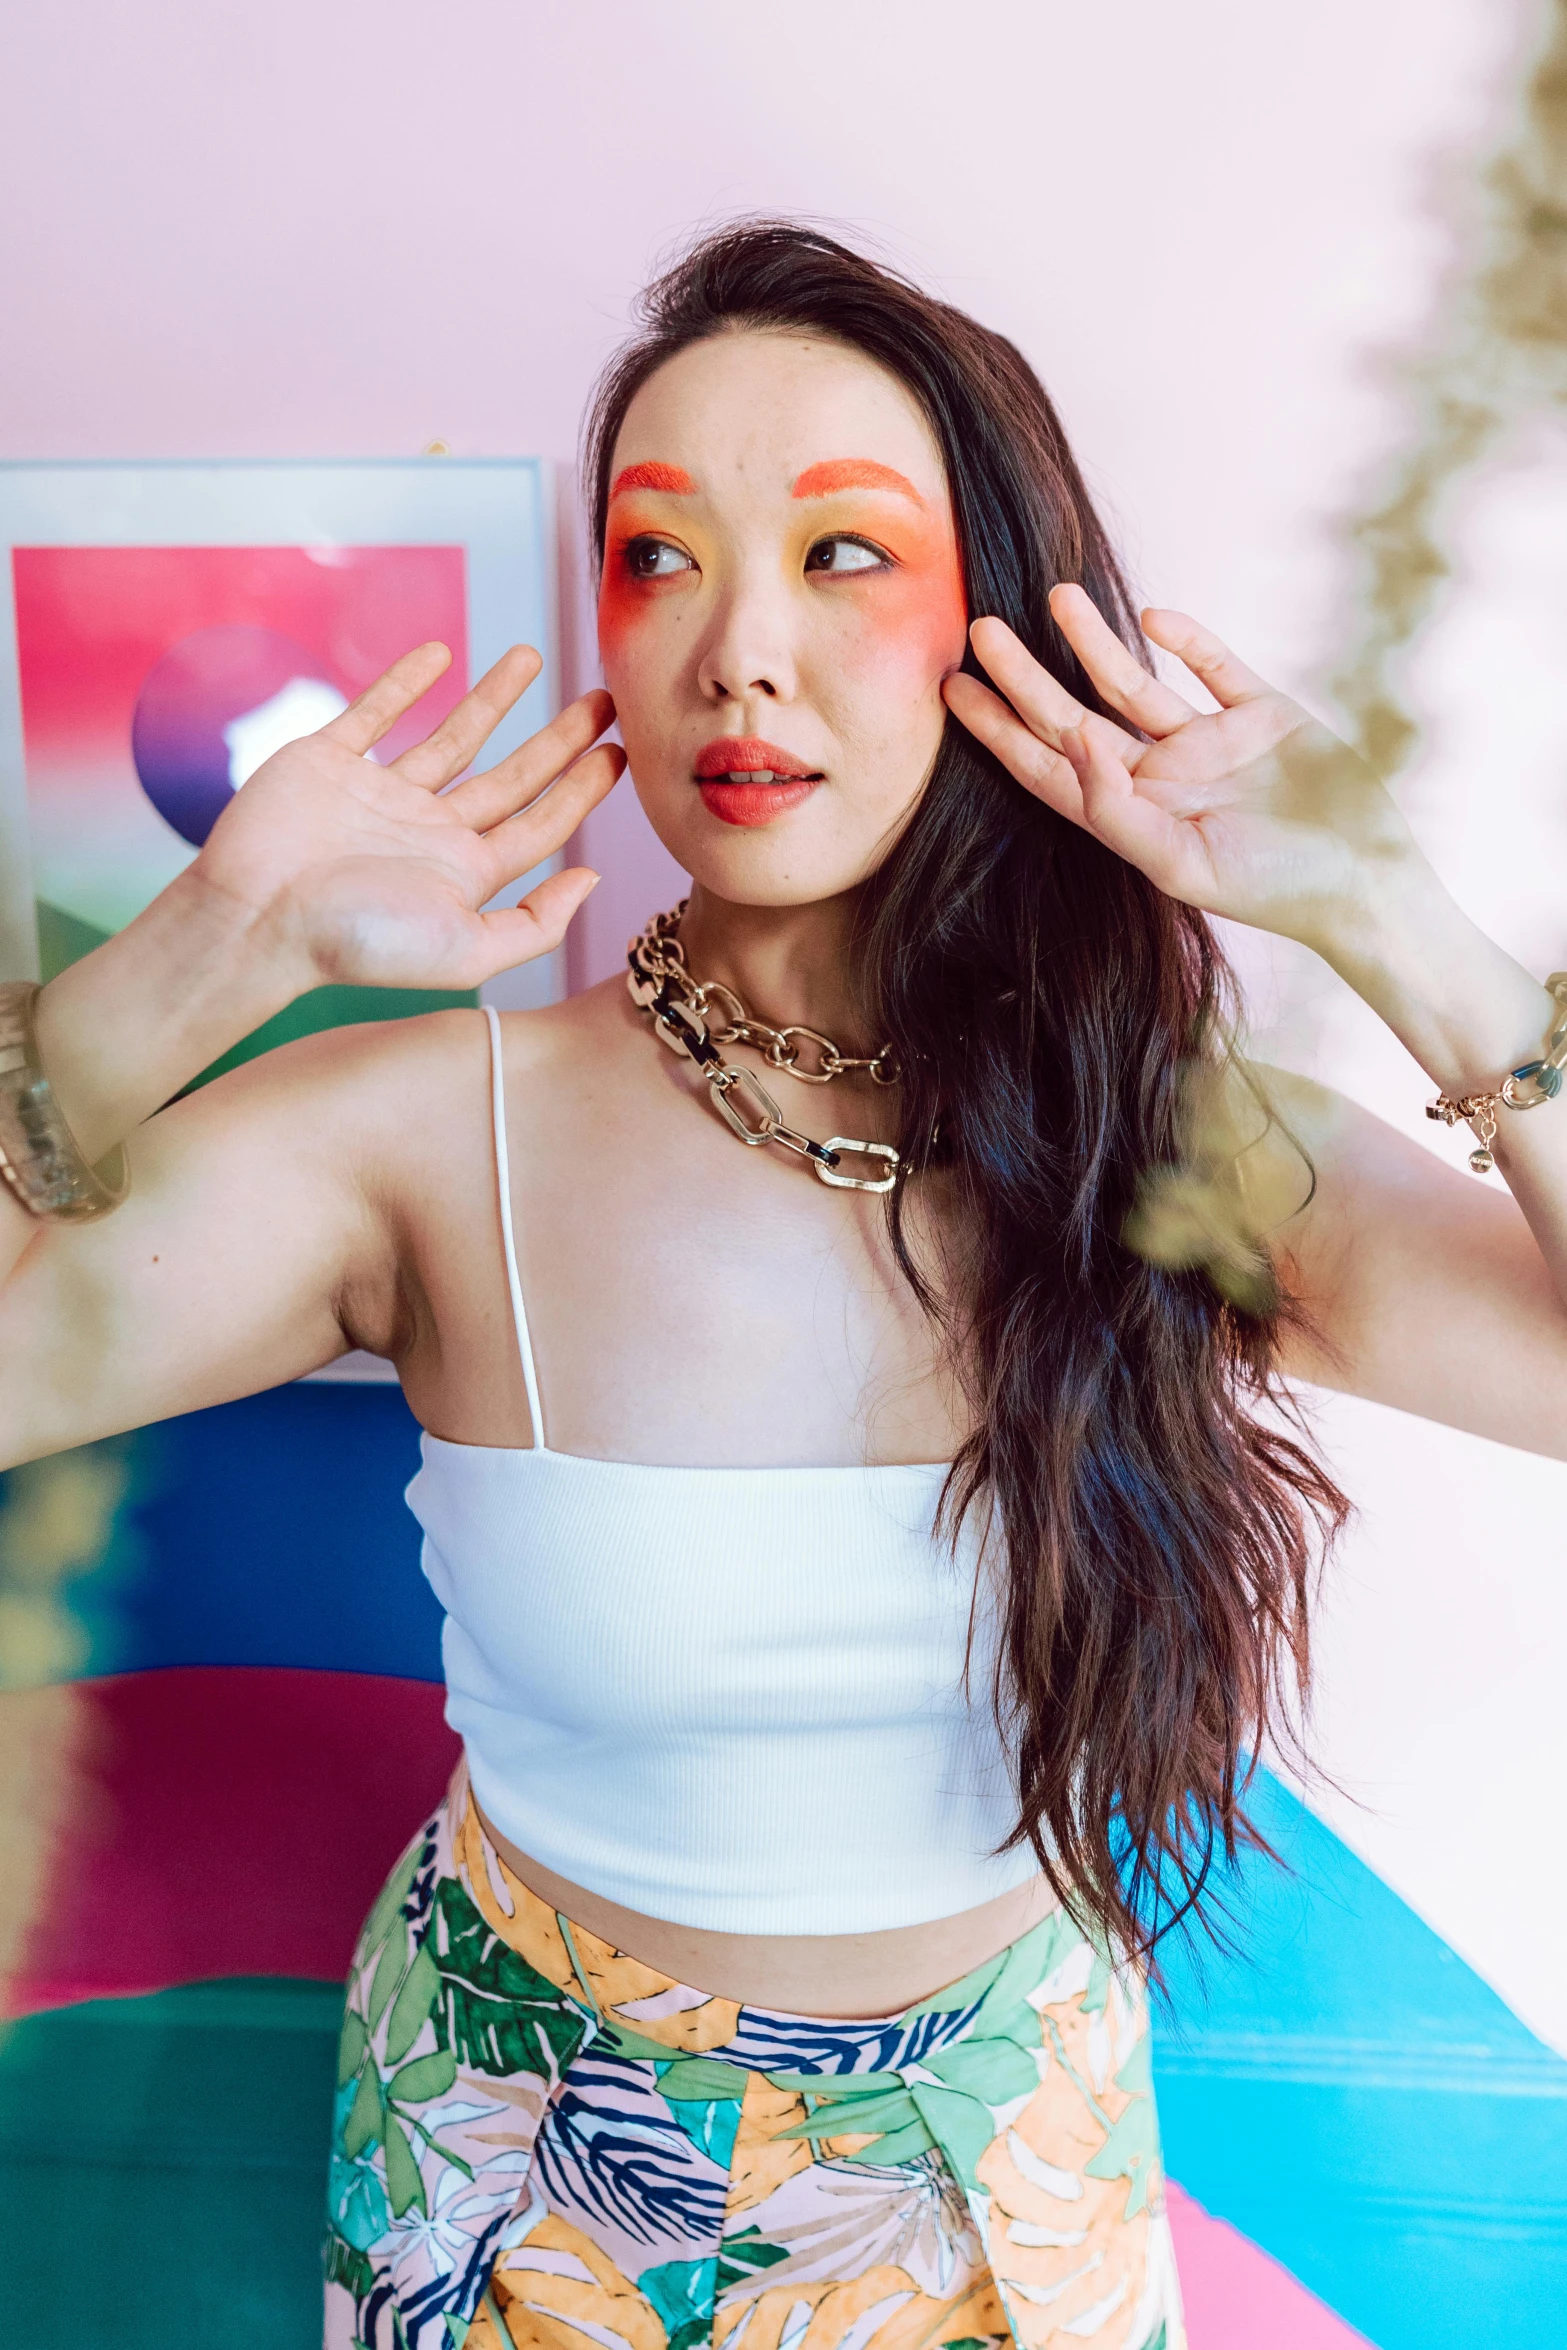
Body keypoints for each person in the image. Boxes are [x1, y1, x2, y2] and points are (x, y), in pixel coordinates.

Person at [3, 222, 1565, 2350]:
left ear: (1000, 626)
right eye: (660, 557)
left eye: (842, 556)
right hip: (513, 2156)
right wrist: (214, 946)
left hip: (1006, 2160)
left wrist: (1402, 922)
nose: (738, 650)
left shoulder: (1167, 1142)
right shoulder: (427, 1133)